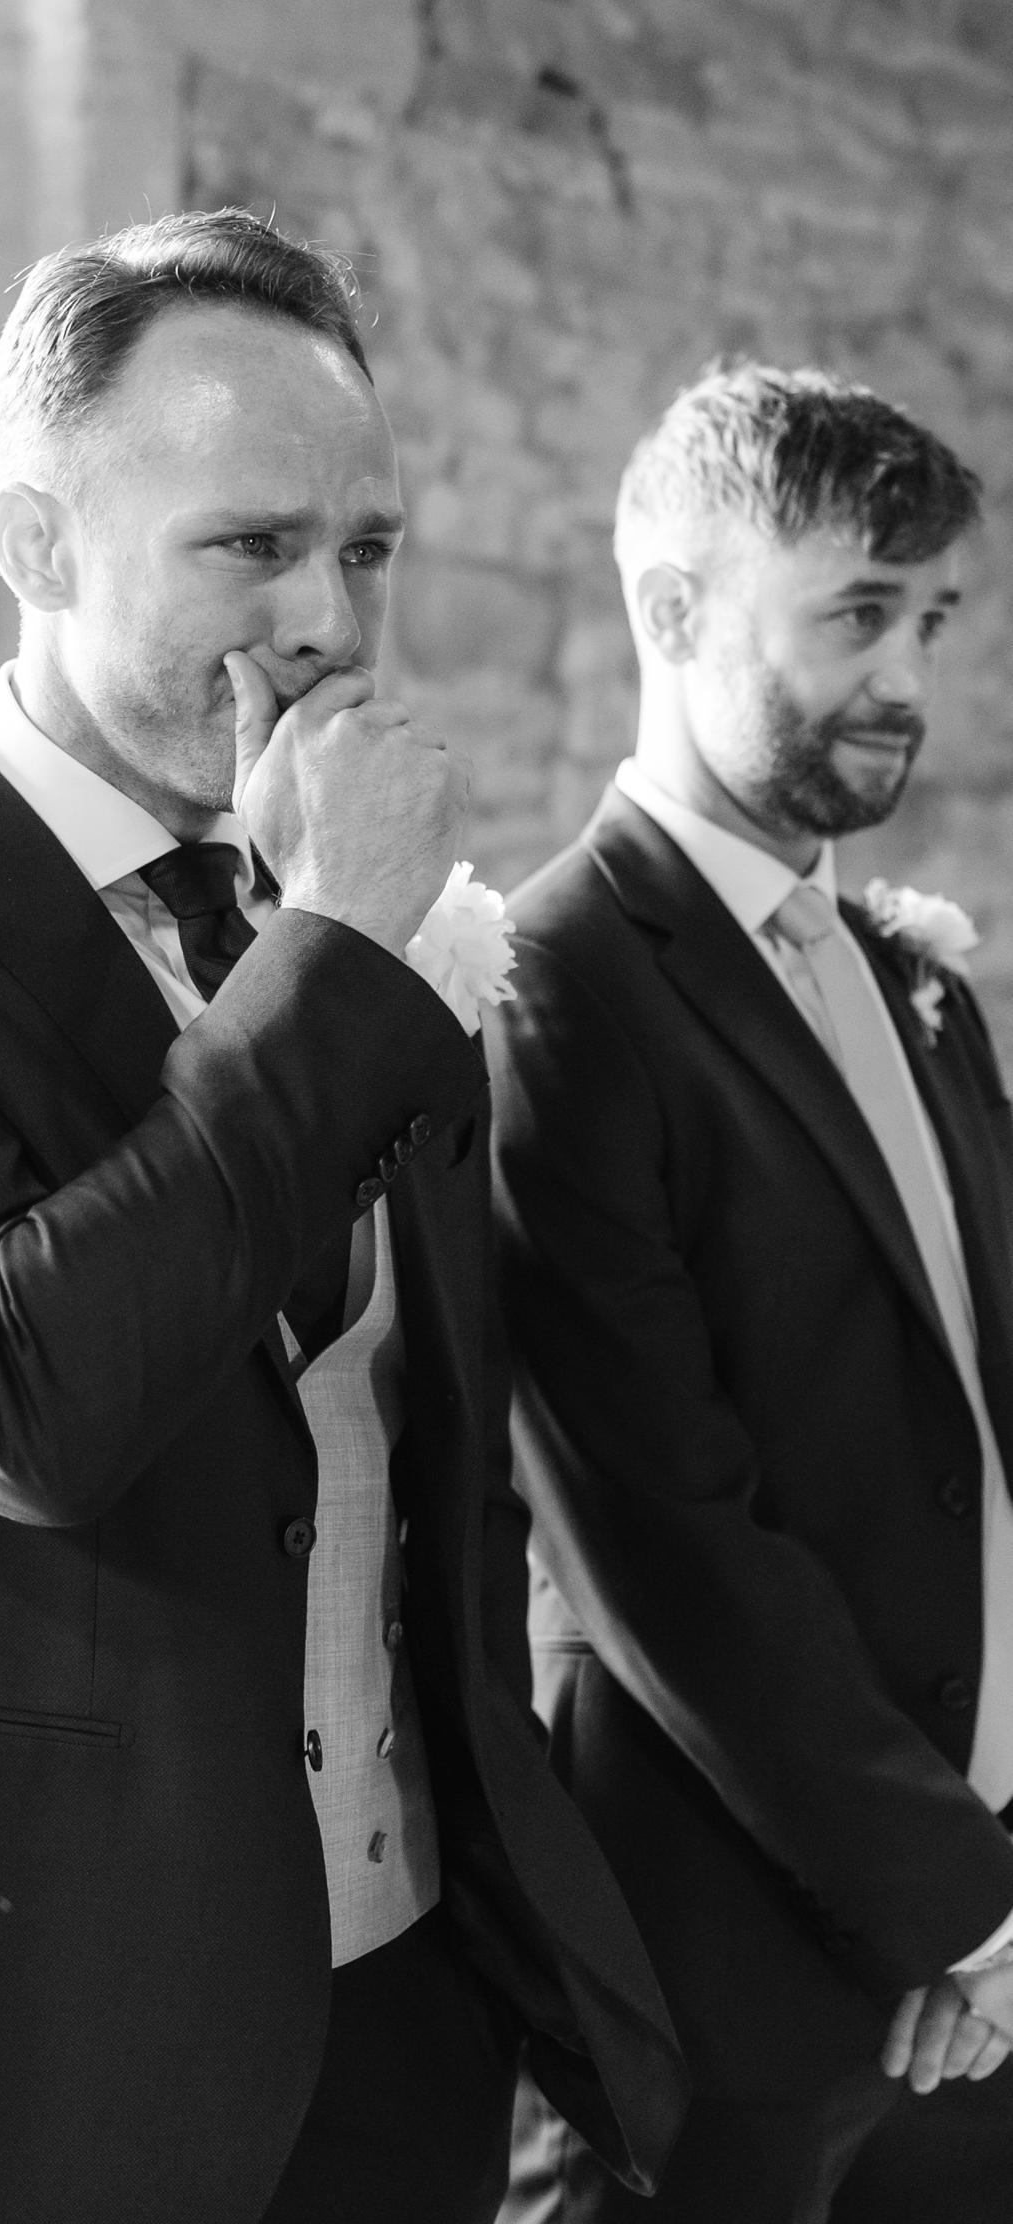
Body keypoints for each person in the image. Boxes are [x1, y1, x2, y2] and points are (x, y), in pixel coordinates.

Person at [0, 209, 683, 2223]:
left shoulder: (341, 912)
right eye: (249, 545)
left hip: (403, 1998)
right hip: (33, 2027)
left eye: (364, 549)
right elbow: (21, 1392)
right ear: (36, 544)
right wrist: (339, 954)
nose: (327, 620)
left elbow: (433, 1457)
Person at [485, 361, 1013, 2223]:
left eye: (929, 618)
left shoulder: (910, 976)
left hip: (967, 1978)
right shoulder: (555, 988)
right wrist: (958, 1906)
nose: (908, 677)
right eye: (855, 614)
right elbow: (664, 1540)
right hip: (715, 1966)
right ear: (670, 611)